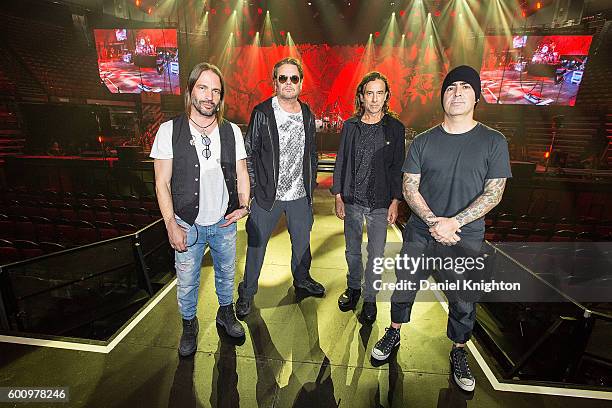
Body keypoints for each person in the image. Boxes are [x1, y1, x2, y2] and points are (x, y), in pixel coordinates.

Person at [370, 65, 512, 392]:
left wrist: (455, 222)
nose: (457, 93)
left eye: (465, 87)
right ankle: (394, 331)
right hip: (422, 232)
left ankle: (459, 351)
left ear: (477, 96)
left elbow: (495, 192)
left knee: (463, 298)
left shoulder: (493, 141)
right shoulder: (423, 141)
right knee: (404, 286)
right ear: (442, 96)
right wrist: (435, 222)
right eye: (450, 88)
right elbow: (410, 187)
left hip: (466, 236)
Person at [151, 62, 250, 357]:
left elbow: (242, 172)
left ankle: (225, 313)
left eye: (215, 91)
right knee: (187, 281)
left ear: (221, 97)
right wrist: (170, 223)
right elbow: (161, 183)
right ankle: (189, 324)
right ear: (191, 90)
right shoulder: (169, 130)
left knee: (227, 275)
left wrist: (245, 205)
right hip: (186, 222)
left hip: (223, 221)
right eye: (203, 88)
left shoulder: (231, 131)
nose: (209, 96)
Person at [236, 57, 324, 318]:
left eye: (293, 78)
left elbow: (312, 154)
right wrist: (253, 190)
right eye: (282, 78)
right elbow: (249, 153)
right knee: (256, 247)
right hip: (268, 195)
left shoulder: (307, 113)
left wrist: (310, 185)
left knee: (302, 244)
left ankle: (302, 280)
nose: (288, 83)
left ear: (301, 83)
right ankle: (247, 292)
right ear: (274, 82)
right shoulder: (262, 112)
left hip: (299, 195)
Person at [331, 71, 405, 324]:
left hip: (380, 203)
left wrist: (396, 200)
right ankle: (353, 288)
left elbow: (398, 167)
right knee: (352, 251)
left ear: (386, 96)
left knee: (376, 254)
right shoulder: (351, 126)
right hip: (352, 200)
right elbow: (341, 161)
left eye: (379, 93)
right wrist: (339, 195)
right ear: (361, 97)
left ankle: (370, 298)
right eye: (369, 93)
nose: (374, 99)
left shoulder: (395, 128)